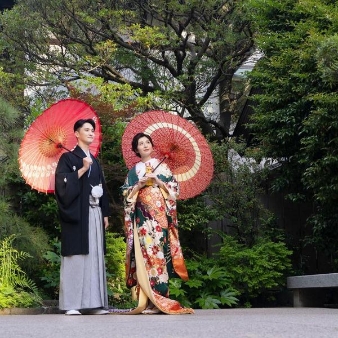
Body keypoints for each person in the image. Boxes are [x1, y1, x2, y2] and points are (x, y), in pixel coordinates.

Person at [121, 132, 194, 314]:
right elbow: (125, 194)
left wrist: (159, 181)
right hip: (142, 219)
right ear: (136, 149)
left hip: (160, 217)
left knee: (160, 256)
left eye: (147, 142)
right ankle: (147, 300)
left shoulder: (163, 168)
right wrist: (138, 185)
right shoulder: (134, 171)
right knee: (145, 256)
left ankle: (160, 299)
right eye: (140, 143)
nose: (145, 145)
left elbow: (174, 190)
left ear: (152, 146)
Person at [55, 118, 110, 315]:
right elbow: (61, 185)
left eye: (92, 130)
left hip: (94, 213)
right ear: (76, 134)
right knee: (76, 257)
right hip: (77, 214)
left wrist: (105, 212)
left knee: (94, 256)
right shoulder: (68, 158)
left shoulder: (94, 159)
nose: (91, 133)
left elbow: (102, 187)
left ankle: (94, 303)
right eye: (86, 130)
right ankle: (72, 304)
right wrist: (82, 169)